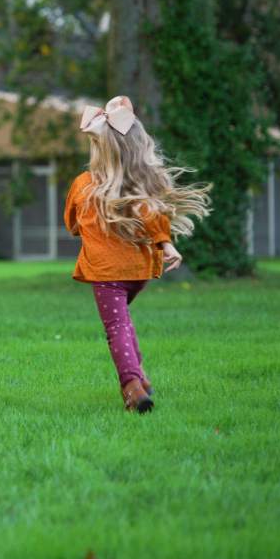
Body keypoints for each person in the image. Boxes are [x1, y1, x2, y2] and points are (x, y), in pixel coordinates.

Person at [65, 96, 210, 413]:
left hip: (106, 274)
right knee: (123, 321)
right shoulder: (138, 188)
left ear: (99, 149)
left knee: (116, 327)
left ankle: (131, 386)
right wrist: (167, 245)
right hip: (139, 272)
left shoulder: (83, 185)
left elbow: (72, 224)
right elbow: (157, 223)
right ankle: (142, 377)